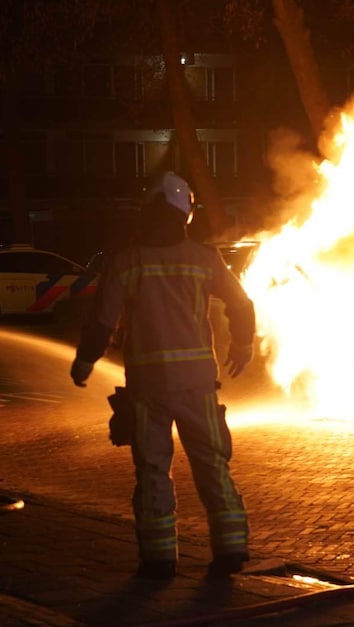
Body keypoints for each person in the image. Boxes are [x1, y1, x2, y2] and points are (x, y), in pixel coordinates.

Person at [70, 172, 257, 580]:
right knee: (212, 464)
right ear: (185, 215)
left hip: (147, 387)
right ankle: (231, 548)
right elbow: (242, 305)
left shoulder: (126, 261)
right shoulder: (205, 259)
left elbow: (102, 322)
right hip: (197, 385)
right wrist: (243, 345)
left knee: (153, 468)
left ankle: (158, 559)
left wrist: (85, 362)